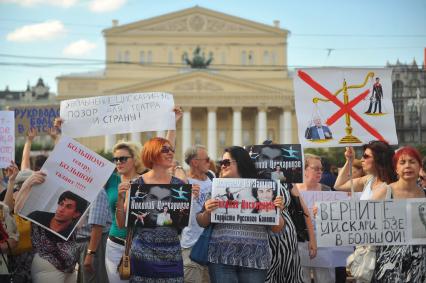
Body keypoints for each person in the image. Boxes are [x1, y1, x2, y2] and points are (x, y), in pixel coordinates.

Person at [115, 137, 200, 282]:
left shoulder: (179, 185)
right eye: (165, 150)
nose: (170, 153)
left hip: (172, 255)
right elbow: (122, 224)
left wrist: (192, 200)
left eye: (172, 150)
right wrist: (121, 198)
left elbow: (186, 223)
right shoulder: (137, 184)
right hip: (142, 255)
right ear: (152, 153)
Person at [197, 146, 284, 283]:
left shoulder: (263, 187)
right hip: (221, 257)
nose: (222, 166)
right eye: (221, 163)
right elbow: (201, 221)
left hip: (254, 258)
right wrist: (208, 211)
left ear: (241, 162)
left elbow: (277, 228)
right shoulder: (216, 188)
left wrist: (277, 211)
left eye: (226, 162)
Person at [371, 146, 426, 282]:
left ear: (420, 167)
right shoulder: (384, 191)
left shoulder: (425, 194)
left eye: (412, 162)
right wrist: (329, 214)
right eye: (402, 162)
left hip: (419, 263)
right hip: (388, 263)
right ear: (396, 168)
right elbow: (362, 217)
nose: (407, 166)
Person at [14, 171, 80, 283]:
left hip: (70, 269)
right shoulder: (38, 215)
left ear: (76, 213)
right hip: (47, 268)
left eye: (68, 207)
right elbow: (17, 212)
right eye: (61, 204)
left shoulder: (74, 224)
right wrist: (26, 185)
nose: (61, 209)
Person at [105, 141, 144, 283]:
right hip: (114, 245)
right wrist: (59, 136)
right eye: (115, 159)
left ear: (135, 159)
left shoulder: (146, 180)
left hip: (141, 245)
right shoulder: (111, 180)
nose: (118, 162)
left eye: (123, 158)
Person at [293, 154, 334, 283]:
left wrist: (327, 213)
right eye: (316, 168)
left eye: (321, 169)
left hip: (324, 247)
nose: (320, 171)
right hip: (297, 246)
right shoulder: (292, 192)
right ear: (304, 170)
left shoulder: (328, 191)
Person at [181, 144, 212, 283]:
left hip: (211, 245)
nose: (209, 162)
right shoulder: (183, 183)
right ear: (194, 162)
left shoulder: (212, 178)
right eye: (206, 159)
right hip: (191, 245)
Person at [76, 187, 111, 283]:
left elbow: (97, 227)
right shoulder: (76, 187)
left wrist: (90, 255)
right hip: (79, 242)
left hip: (92, 244)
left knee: (91, 278)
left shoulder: (97, 191)